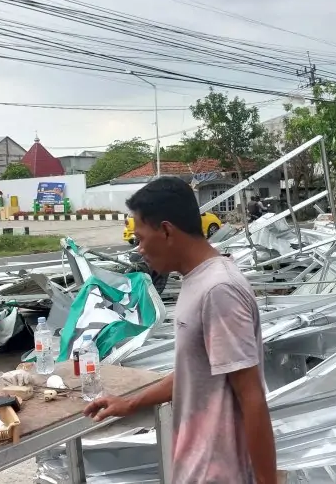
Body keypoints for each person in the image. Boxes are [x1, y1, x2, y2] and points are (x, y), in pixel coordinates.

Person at [84, 177, 277, 483]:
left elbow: (251, 396)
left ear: (166, 230)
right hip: (196, 468)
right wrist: (129, 404)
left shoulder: (219, 290)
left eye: (141, 238)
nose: (140, 249)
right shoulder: (195, 280)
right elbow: (194, 371)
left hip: (220, 473)